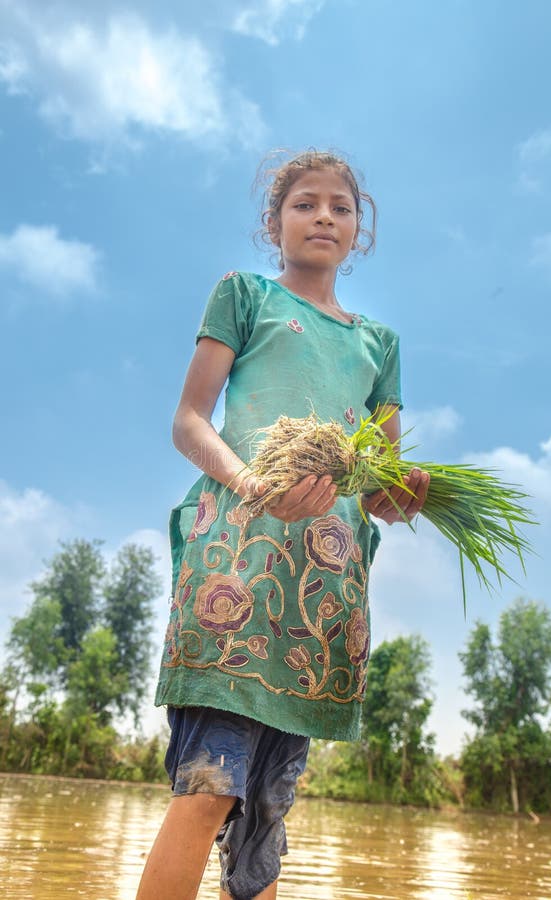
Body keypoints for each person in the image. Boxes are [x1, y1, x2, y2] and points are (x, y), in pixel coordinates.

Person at [136, 149, 430, 900]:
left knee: (267, 808)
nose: (324, 215)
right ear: (275, 223)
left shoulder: (379, 345)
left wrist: (410, 491)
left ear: (358, 230)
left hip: (320, 585)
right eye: (304, 203)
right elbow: (188, 419)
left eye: (340, 205)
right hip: (237, 559)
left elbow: (377, 491)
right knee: (210, 786)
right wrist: (251, 485)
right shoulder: (245, 296)